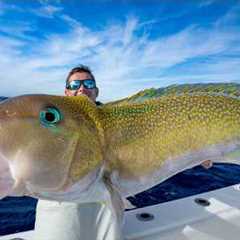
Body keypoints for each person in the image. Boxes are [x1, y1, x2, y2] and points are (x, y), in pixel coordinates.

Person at [34, 65, 122, 240]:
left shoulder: (117, 122)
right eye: (75, 85)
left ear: (96, 91)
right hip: (61, 206)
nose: (82, 88)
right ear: (66, 92)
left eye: (88, 83)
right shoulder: (48, 121)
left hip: (106, 206)